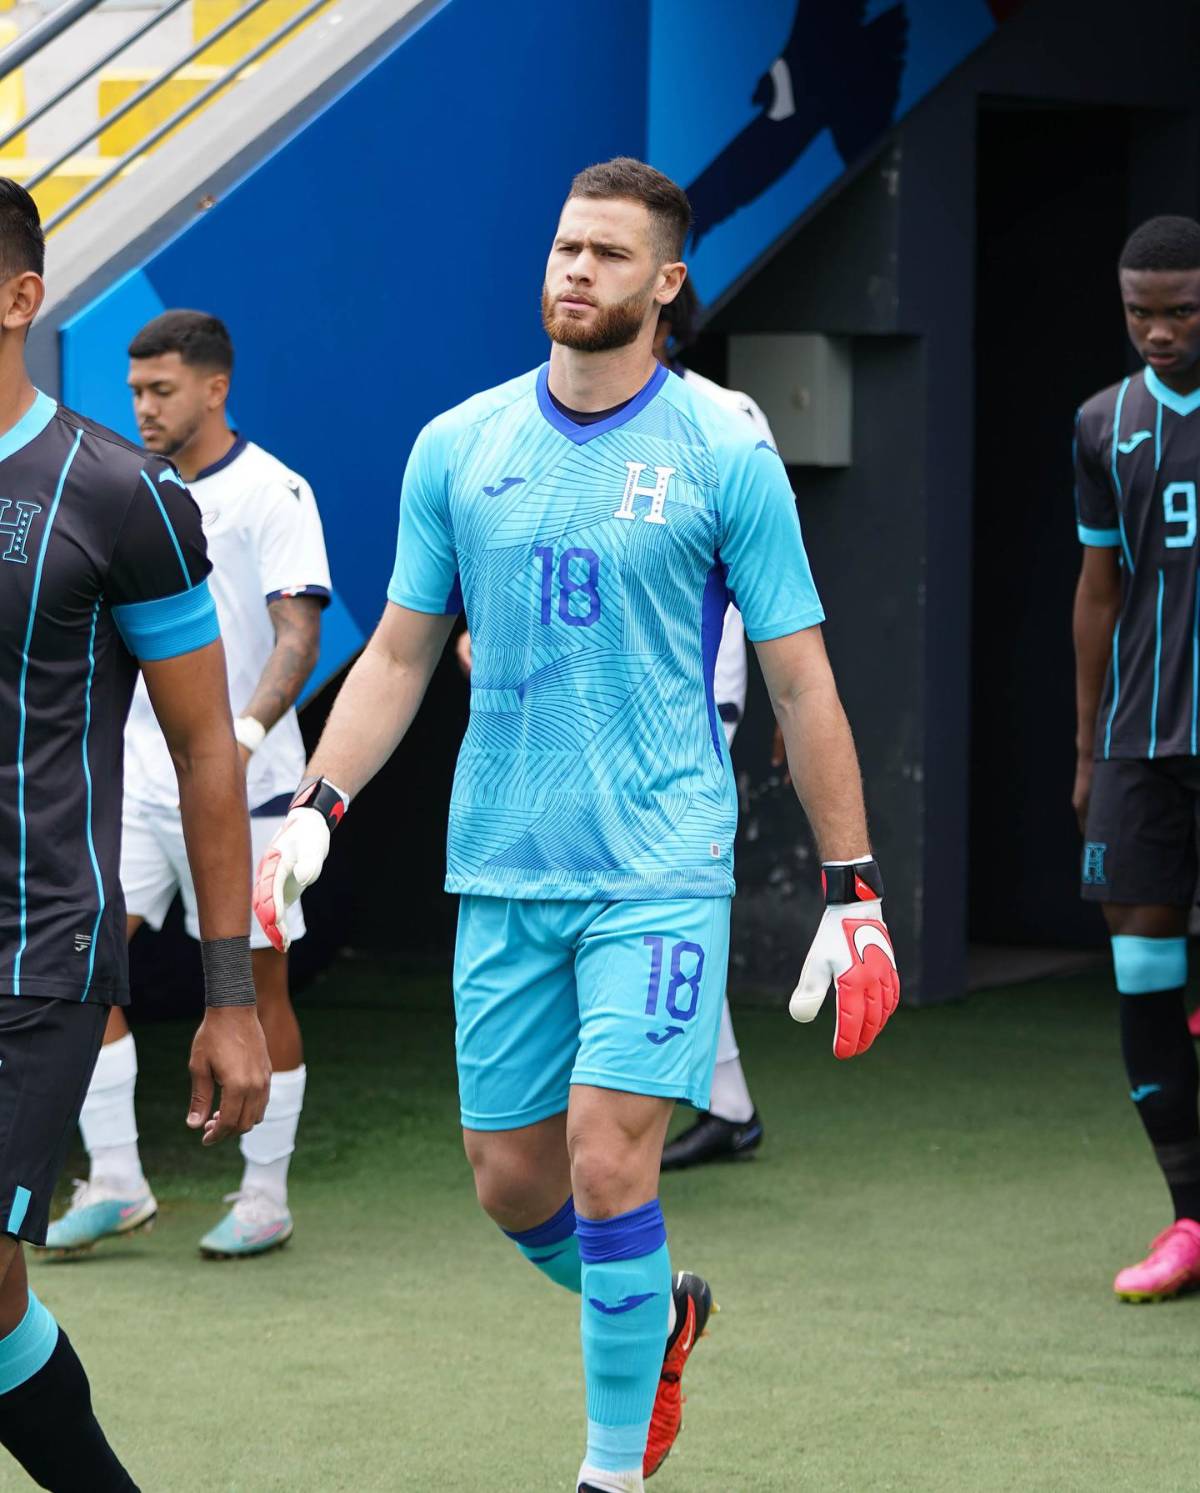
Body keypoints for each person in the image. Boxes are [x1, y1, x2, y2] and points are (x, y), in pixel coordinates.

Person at [255, 158, 899, 1493]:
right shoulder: (460, 445)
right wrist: (318, 804)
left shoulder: (725, 445)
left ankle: (611, 1471)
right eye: (563, 247)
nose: (573, 272)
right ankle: (658, 1315)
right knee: (511, 1180)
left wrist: (855, 888)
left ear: (665, 282)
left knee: (611, 1159)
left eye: (607, 255)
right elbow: (395, 656)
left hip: (657, 863)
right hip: (502, 864)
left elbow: (801, 676)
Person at [0, 179, 269, 1489]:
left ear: (19, 299)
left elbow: (209, 747)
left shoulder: (118, 497)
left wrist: (228, 996)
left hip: (38, 950)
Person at [44, 311, 329, 1261]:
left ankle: (264, 1196)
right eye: (134, 392)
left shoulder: (274, 491)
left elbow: (297, 635)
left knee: (257, 984)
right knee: (77, 964)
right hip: (130, 788)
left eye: (161, 390)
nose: (143, 407)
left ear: (215, 388)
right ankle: (118, 1177)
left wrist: (244, 735)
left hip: (246, 790)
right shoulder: (124, 486)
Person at [1074, 214, 1200, 1302]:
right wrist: (1085, 743)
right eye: (1139, 313)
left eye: (1181, 311)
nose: (1158, 332)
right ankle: (1188, 1216)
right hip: (1138, 745)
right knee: (1145, 973)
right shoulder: (1102, 424)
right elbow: (1100, 589)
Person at [654, 281, 768, 1169]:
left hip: (693, 701)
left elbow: (766, 575)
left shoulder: (723, 415)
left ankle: (705, 1100)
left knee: (662, 896)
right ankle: (725, 1100)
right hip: (582, 713)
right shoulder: (541, 417)